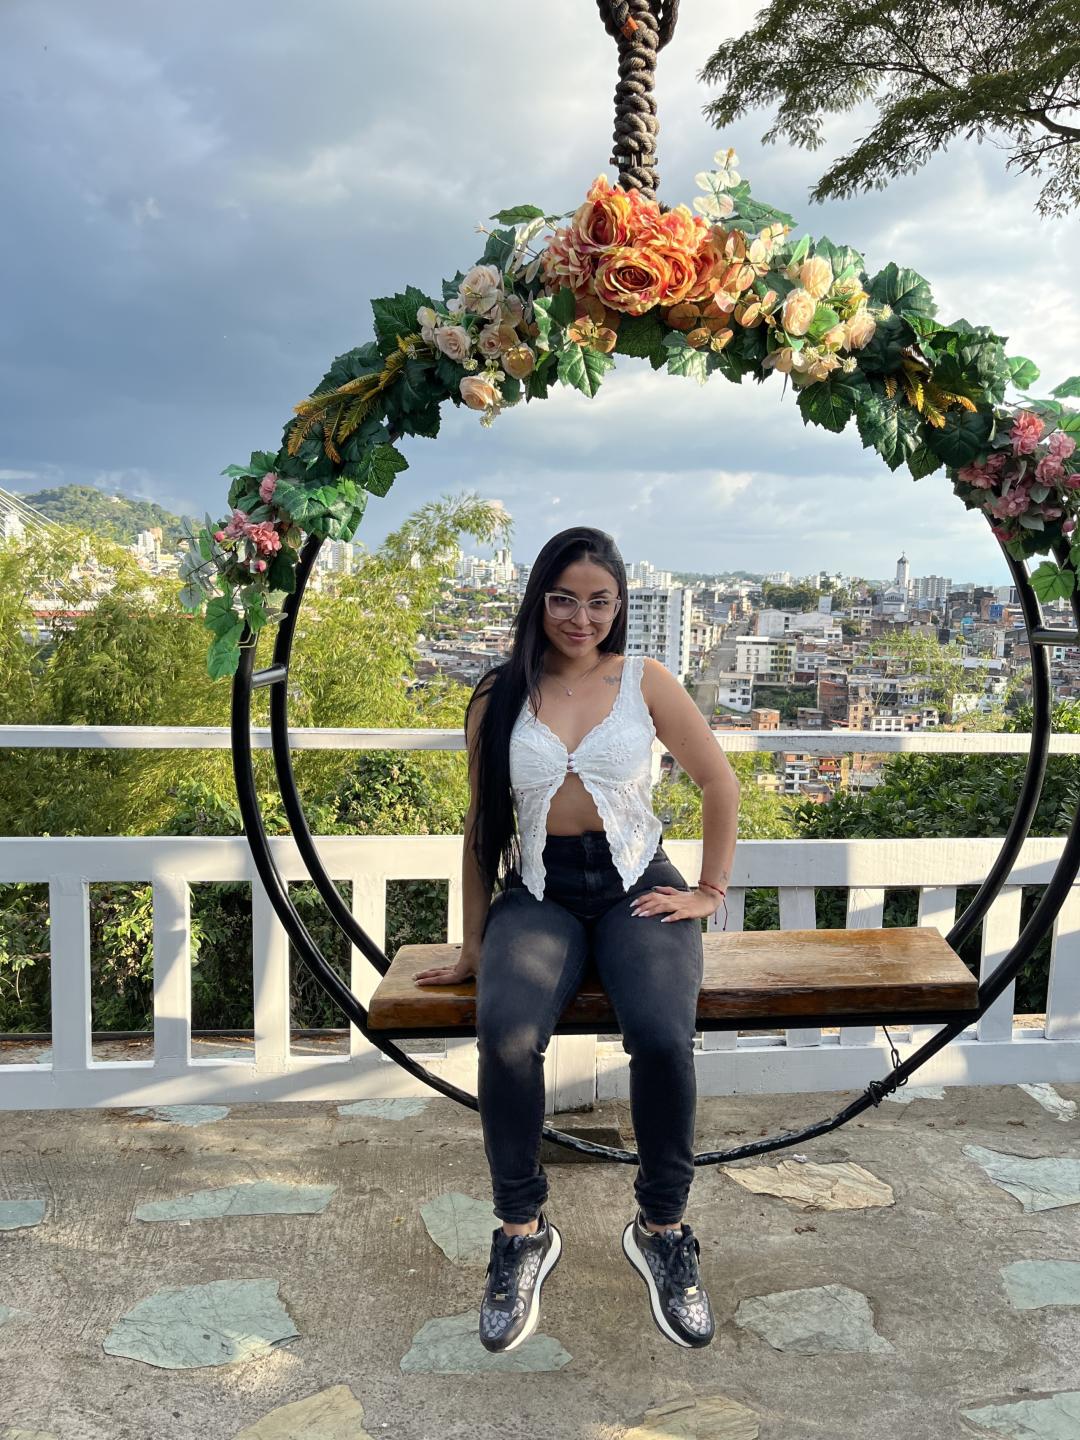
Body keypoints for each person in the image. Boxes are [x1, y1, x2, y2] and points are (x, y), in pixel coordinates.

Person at [413, 526, 740, 1353]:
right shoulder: (499, 693)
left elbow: (718, 781)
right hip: (539, 892)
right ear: (539, 600)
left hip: (638, 886)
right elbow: (481, 825)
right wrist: (472, 945)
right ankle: (521, 1231)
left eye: (599, 601)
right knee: (506, 1035)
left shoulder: (644, 680)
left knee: (661, 1036)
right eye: (564, 599)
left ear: (620, 604)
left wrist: (708, 891)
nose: (580, 618)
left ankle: (662, 1229)